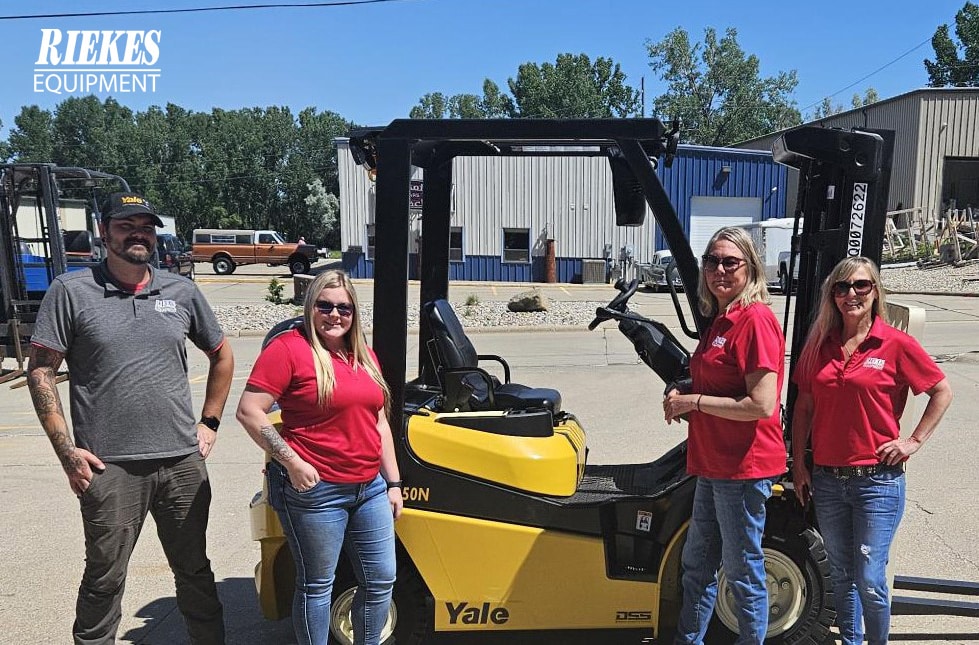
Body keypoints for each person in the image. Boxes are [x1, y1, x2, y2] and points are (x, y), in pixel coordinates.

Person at [27, 191, 233, 645]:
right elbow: (41, 370)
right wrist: (67, 453)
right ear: (104, 233)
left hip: (181, 461)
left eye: (146, 227)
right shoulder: (72, 291)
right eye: (126, 226)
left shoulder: (180, 290)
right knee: (104, 576)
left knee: (195, 570)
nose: (138, 235)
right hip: (110, 466)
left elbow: (222, 355)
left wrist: (210, 422)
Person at [791, 257, 952, 645]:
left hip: (877, 483)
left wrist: (912, 441)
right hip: (828, 481)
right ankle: (851, 641)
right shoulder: (819, 345)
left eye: (861, 286)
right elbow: (805, 406)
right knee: (843, 575)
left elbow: (941, 391)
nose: (851, 295)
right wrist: (799, 463)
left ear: (875, 291)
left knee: (870, 578)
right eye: (842, 288)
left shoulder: (895, 344)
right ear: (832, 296)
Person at [236, 269, 402, 645]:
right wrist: (292, 462)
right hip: (317, 493)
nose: (335, 315)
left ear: (354, 313)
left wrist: (392, 482)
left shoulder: (363, 355)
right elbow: (249, 411)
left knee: (380, 580)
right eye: (325, 305)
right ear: (311, 306)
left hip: (369, 489)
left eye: (344, 307)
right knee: (317, 586)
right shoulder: (289, 349)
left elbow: (379, 422)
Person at [663, 226, 787, 644]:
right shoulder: (723, 318)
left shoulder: (755, 321)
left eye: (730, 262)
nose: (719, 269)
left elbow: (761, 404)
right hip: (713, 463)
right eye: (712, 260)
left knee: (742, 572)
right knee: (697, 565)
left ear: (750, 268)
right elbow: (717, 382)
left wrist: (694, 403)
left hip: (741, 468)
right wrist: (681, 391)